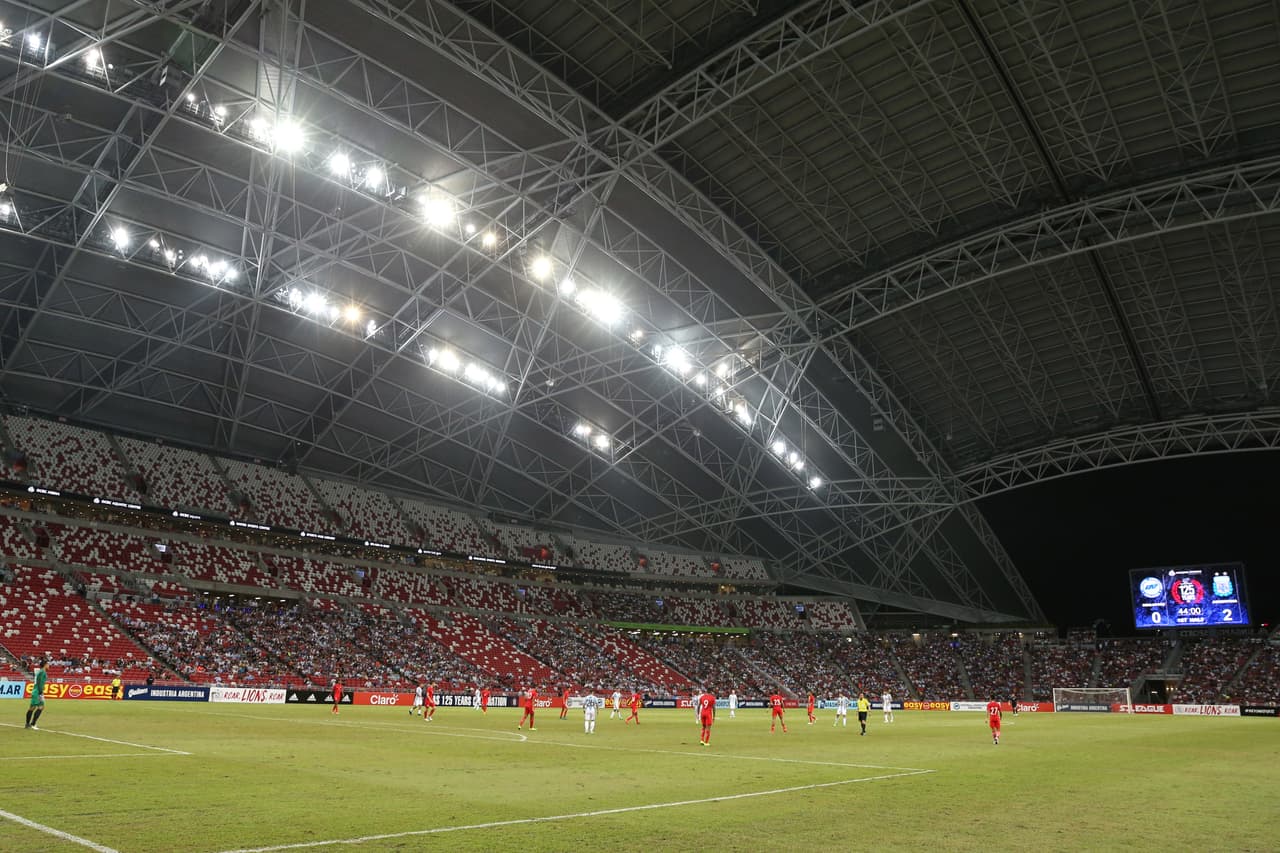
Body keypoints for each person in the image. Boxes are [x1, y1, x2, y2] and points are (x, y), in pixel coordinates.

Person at [24, 658, 47, 730]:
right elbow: (40, 682)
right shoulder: (42, 672)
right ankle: (32, 724)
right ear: (45, 665)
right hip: (38, 692)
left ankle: (28, 724)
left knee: (33, 708)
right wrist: (40, 692)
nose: (49, 665)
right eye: (48, 664)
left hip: (36, 691)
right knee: (40, 707)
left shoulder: (40, 672)